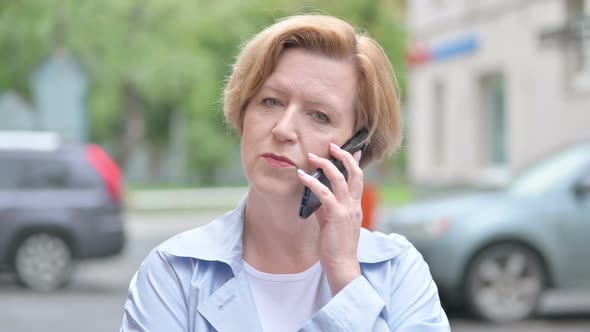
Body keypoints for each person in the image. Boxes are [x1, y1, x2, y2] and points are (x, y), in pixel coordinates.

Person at [120, 14, 449, 332]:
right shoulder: (174, 272)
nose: (283, 129)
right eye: (271, 102)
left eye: (319, 116)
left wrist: (347, 280)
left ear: (356, 147)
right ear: (243, 110)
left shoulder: (399, 271)